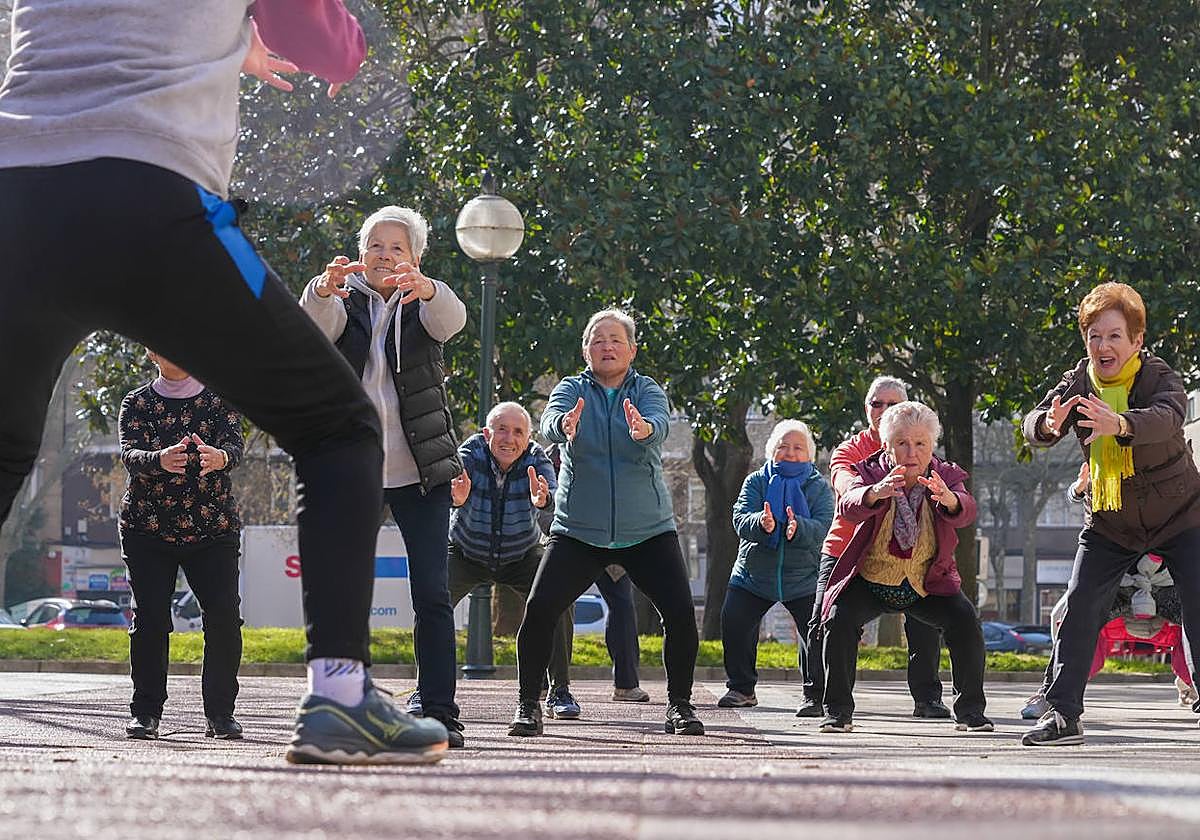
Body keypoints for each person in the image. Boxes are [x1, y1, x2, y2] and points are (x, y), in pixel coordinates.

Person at [0, 2, 450, 764]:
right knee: (338, 428)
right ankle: (341, 699)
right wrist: (334, 43)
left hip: (15, 199)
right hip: (154, 201)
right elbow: (324, 41)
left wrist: (221, 41)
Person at [299, 205, 468, 746]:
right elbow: (315, 330)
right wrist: (322, 291)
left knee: (433, 595)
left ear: (415, 257)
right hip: (356, 471)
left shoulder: (425, 303)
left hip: (421, 472)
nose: (385, 256)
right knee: (344, 591)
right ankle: (347, 702)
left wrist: (428, 289)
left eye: (397, 248)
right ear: (360, 254)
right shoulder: (344, 301)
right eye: (376, 246)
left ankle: (440, 708)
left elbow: (452, 320)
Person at [1020, 282, 1200, 746]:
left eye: (1115, 336)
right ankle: (1062, 714)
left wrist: (1119, 424)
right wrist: (1046, 423)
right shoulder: (1078, 381)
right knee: (1079, 606)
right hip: (1111, 518)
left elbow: (1168, 417)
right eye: (1095, 336)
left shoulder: (1159, 377)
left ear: (1136, 341)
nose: (1103, 346)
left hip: (1179, 515)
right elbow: (1034, 424)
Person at [509, 308, 703, 737]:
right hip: (580, 528)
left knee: (680, 613)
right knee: (540, 609)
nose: (607, 347)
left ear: (632, 350)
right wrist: (563, 424)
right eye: (598, 340)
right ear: (586, 350)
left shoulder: (647, 389)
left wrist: (643, 430)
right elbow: (549, 421)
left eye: (616, 339)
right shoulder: (571, 389)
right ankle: (528, 705)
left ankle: (680, 705)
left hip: (647, 529)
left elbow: (658, 424)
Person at [820, 401, 992, 734]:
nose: (911, 452)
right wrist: (875, 493)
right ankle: (837, 712)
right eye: (902, 443)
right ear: (886, 445)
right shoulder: (868, 472)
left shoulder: (944, 476)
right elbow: (849, 504)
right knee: (838, 619)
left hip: (925, 585)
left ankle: (971, 713)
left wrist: (950, 500)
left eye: (920, 444)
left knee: (965, 620)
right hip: (870, 580)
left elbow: (967, 509)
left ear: (932, 447)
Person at [797, 377, 949, 719]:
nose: (883, 410)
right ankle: (816, 695)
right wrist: (871, 490)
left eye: (892, 404)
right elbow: (844, 482)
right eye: (876, 403)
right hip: (846, 547)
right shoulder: (850, 450)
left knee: (924, 619)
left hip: (905, 553)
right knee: (823, 616)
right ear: (866, 409)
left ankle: (928, 698)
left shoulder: (916, 445)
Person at [118, 351, 246, 741]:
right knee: (151, 620)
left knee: (224, 618)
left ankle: (221, 716)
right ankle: (146, 714)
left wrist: (219, 457)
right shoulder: (136, 402)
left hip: (213, 529)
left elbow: (236, 448)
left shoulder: (221, 397)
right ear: (151, 352)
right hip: (147, 528)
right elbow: (129, 454)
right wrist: (161, 459)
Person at [446, 401, 581, 720]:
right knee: (430, 602)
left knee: (558, 600)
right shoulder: (467, 457)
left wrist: (544, 499)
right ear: (486, 433)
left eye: (518, 432)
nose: (509, 439)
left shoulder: (536, 458)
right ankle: (428, 690)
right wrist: (455, 499)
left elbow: (553, 499)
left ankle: (559, 690)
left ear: (529, 437)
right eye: (501, 430)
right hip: (467, 550)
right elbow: (446, 491)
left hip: (521, 553)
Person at [719, 420, 834, 708]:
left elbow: (824, 525)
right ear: (772, 450)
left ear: (808, 454)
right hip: (753, 573)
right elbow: (740, 518)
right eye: (783, 446)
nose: (790, 453)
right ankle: (742, 689)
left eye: (798, 447)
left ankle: (814, 695)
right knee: (735, 621)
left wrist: (800, 528)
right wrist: (762, 522)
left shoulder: (818, 486)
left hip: (804, 575)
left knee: (815, 633)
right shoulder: (756, 481)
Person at [544, 441, 650, 702]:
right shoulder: (548, 459)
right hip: (568, 541)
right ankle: (552, 686)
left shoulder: (613, 452)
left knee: (622, 604)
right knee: (553, 606)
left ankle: (626, 684)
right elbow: (543, 508)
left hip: (608, 540)